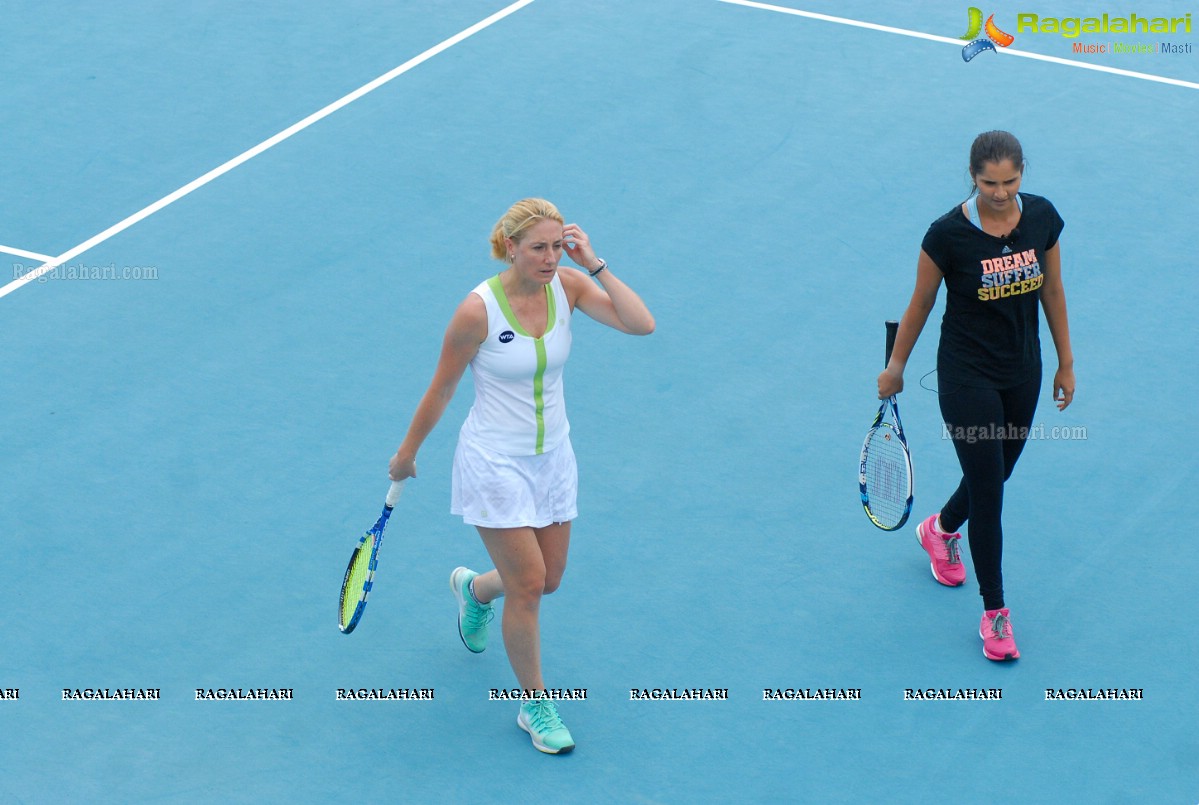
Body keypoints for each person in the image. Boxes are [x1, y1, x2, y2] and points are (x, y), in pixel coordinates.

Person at [389, 198, 654, 753]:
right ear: (509, 247)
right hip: (495, 463)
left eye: (558, 246)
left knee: (546, 579)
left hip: (554, 460)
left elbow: (641, 325)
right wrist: (408, 453)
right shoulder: (476, 311)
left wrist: (595, 264)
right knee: (530, 587)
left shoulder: (571, 287)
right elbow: (441, 387)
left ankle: (475, 589)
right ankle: (535, 706)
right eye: (538, 248)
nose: (551, 258)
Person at [878, 131, 1074, 661]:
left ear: (1022, 175)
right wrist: (896, 366)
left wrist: (1066, 362)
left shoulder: (1042, 218)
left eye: (1011, 181)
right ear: (973, 177)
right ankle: (995, 615)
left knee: (997, 472)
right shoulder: (946, 235)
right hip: (966, 375)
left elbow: (1052, 290)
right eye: (990, 183)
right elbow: (920, 303)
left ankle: (939, 529)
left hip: (1023, 370)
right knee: (990, 493)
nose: (1001, 192)